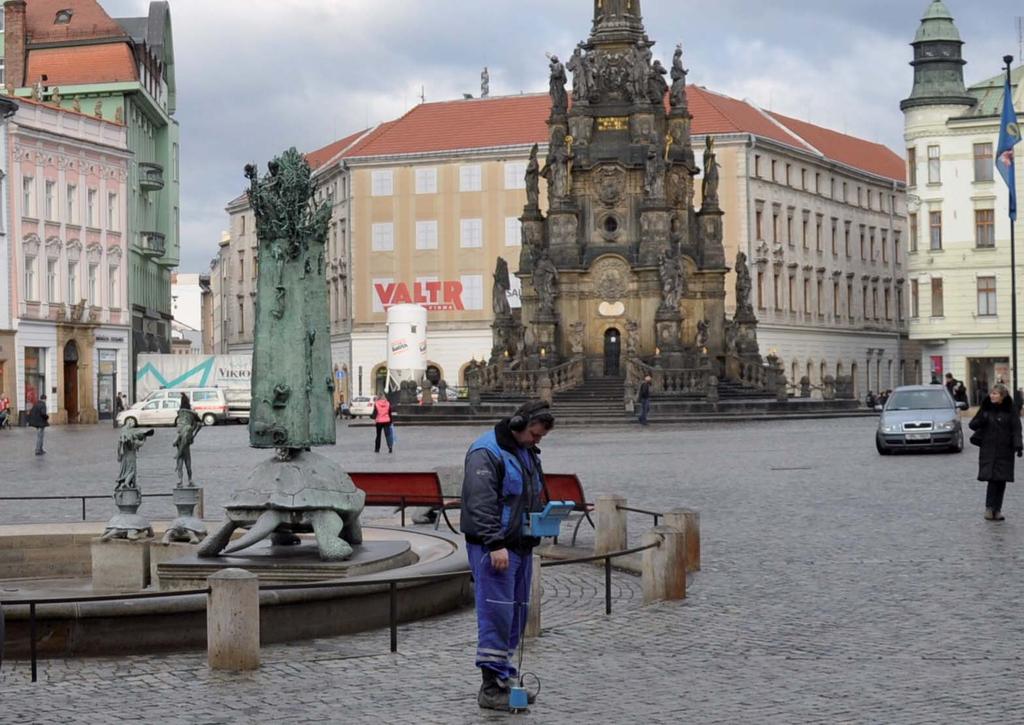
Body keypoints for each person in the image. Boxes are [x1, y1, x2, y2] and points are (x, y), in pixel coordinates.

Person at [461, 400, 554, 711]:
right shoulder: (486, 451)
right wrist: (494, 543)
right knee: (496, 615)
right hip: (496, 549)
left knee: (515, 615)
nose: (536, 441)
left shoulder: (525, 451)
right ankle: (490, 688)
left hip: (519, 545)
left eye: (540, 437)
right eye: (534, 434)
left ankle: (504, 679)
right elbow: (480, 503)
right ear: (517, 425)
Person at [969, 383, 1022, 521]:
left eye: (995, 394)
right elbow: (972, 425)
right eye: (991, 393)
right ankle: (989, 508)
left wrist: (1018, 446)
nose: (992, 396)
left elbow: (1016, 428)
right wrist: (982, 418)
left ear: (1002, 396)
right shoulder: (986, 409)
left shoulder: (1010, 410)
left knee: (1001, 480)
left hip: (1005, 450)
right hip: (989, 449)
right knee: (992, 480)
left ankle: (997, 510)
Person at [172, 394, 202, 487]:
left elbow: (199, 424)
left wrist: (193, 433)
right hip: (183, 439)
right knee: (186, 463)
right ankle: (187, 480)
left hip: (182, 439)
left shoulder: (182, 415)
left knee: (182, 463)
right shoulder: (189, 416)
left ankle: (182, 480)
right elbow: (200, 424)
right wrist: (194, 433)